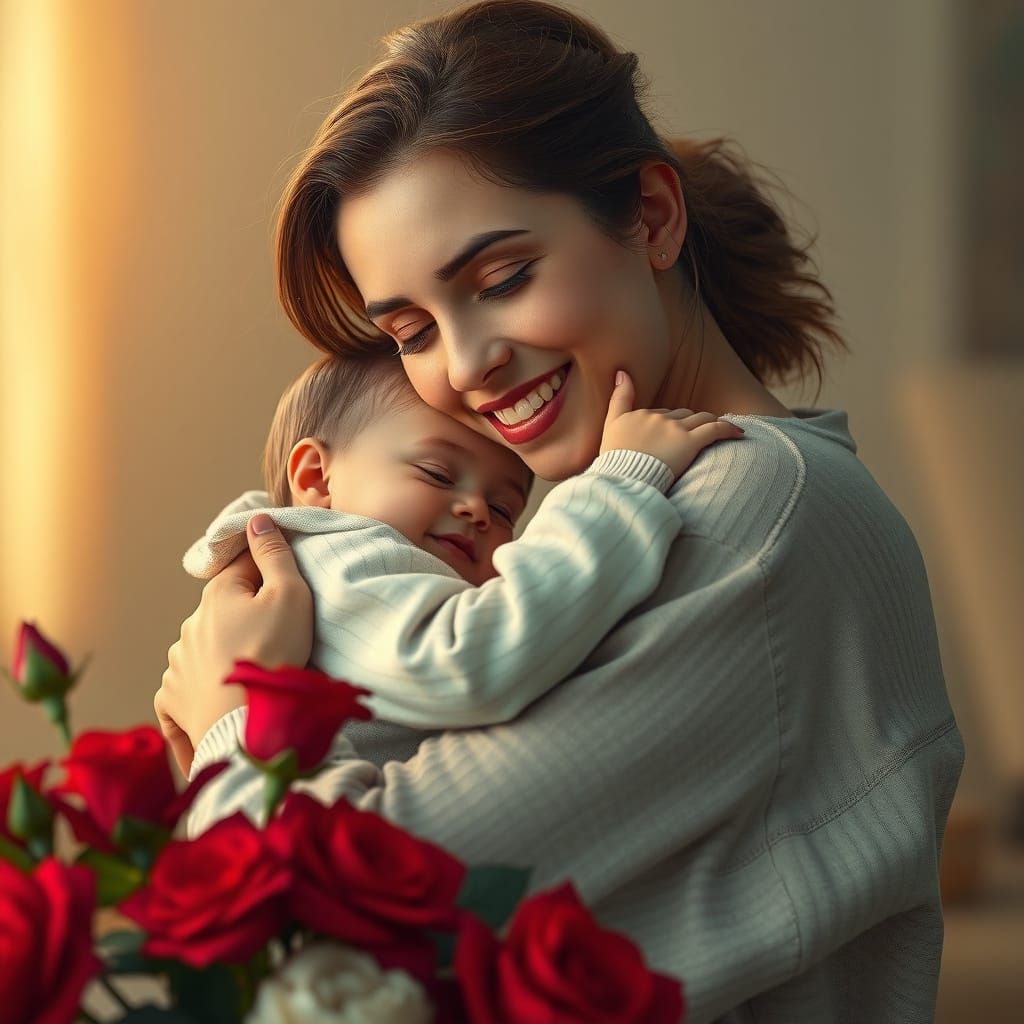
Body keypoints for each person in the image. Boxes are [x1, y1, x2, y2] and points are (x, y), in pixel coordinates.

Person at [155, 1, 964, 1020]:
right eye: (412, 331)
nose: (464, 365)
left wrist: (233, 713)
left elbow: (329, 935)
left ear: (652, 217)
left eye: (503, 278)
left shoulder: (747, 512)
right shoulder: (630, 518)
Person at [180, 353, 741, 752]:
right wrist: (621, 482)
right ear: (316, 479)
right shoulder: (340, 557)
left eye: (504, 510)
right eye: (437, 473)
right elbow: (470, 659)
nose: (476, 509)